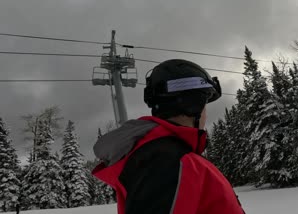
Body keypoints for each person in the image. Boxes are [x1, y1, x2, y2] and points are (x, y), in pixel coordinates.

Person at [92, 59, 245, 214]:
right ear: (193, 105)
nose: (206, 114)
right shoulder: (171, 162)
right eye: (205, 105)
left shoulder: (162, 156)